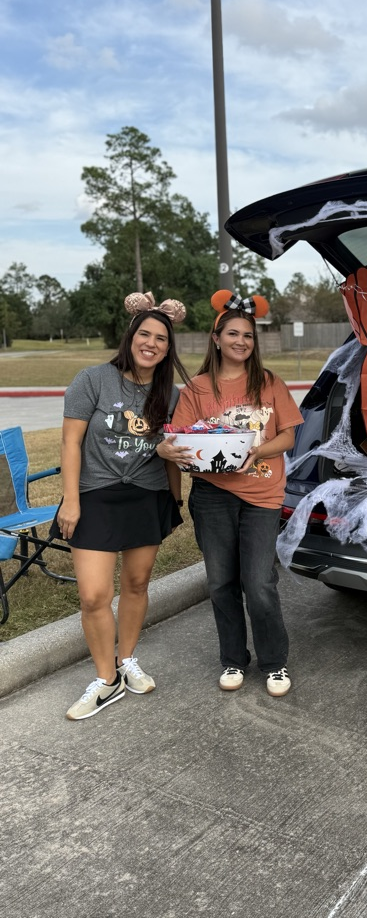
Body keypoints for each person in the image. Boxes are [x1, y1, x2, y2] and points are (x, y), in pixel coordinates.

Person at [159, 290, 303, 696]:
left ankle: (274, 662)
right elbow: (183, 440)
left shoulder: (269, 382)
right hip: (212, 496)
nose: (241, 341)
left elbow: (289, 435)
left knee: (258, 582)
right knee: (221, 581)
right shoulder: (197, 389)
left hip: (262, 496)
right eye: (233, 334)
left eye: (249, 336)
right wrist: (175, 449)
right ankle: (233, 659)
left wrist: (257, 448)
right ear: (216, 338)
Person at [57, 292, 189, 721]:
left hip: (146, 496)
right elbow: (71, 443)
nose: (152, 344)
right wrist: (71, 503)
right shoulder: (92, 380)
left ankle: (127, 659)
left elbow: (170, 449)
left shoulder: (170, 393)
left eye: (162, 339)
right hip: (94, 496)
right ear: (131, 335)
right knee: (94, 596)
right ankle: (106, 679)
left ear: (169, 349)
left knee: (136, 584)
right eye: (145, 334)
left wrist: (175, 499)